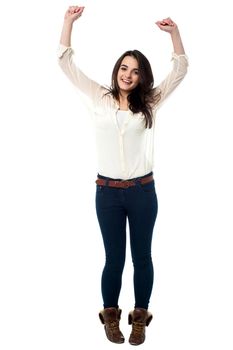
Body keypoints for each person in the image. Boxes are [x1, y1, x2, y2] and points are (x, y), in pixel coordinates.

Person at [58, 5, 188, 346]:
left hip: (143, 193)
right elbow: (65, 62)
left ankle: (140, 318)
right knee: (113, 258)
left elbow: (180, 69)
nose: (127, 75)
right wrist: (68, 22)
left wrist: (174, 34)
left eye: (135, 71)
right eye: (124, 68)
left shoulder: (150, 102)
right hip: (108, 194)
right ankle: (111, 317)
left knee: (142, 256)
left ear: (142, 77)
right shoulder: (98, 97)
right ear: (117, 70)